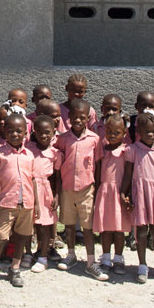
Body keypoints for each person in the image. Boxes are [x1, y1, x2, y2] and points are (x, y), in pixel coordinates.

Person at [0, 114, 36, 290]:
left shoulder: (29, 155)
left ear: (25, 133)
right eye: (10, 131)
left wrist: (38, 204)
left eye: (19, 131)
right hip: (6, 203)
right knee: (0, 238)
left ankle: (15, 268)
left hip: (26, 204)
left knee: (21, 237)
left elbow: (33, 180)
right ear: (4, 131)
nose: (14, 134)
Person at [123, 113, 154, 284]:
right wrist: (124, 193)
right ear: (138, 131)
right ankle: (142, 265)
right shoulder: (132, 150)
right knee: (142, 231)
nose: (151, 135)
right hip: (140, 194)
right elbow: (128, 174)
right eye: (146, 132)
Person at [54, 99, 100, 274]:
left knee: (87, 227)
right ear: (69, 118)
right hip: (67, 188)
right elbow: (58, 167)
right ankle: (71, 254)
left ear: (88, 118)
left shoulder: (94, 139)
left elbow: (98, 165)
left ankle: (91, 261)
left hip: (87, 189)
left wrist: (97, 187)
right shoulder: (63, 139)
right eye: (74, 117)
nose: (78, 121)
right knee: (69, 224)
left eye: (82, 117)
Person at [92, 114, 131, 280]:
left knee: (119, 229)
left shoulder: (125, 151)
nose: (112, 134)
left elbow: (129, 173)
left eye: (117, 132)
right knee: (106, 227)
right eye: (109, 131)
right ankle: (106, 257)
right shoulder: (102, 149)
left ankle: (119, 259)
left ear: (124, 133)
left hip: (119, 192)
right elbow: (98, 170)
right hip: (105, 192)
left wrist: (125, 192)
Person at [27, 115, 61, 273]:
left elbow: (57, 177)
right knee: (33, 223)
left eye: (47, 132)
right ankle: (34, 252)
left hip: (46, 191)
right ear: (34, 131)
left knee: (45, 225)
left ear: (54, 132)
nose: (43, 135)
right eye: (40, 132)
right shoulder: (29, 149)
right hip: (30, 189)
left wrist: (57, 196)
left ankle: (43, 256)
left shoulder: (55, 153)